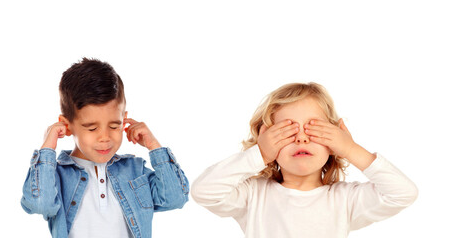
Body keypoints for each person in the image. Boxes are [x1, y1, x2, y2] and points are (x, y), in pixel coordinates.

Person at [191, 82, 418, 238]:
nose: (301, 138)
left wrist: (349, 148)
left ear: (334, 141)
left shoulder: (345, 199)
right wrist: (260, 153)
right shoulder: (254, 195)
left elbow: (403, 193)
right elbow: (204, 191)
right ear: (266, 138)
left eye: (314, 129)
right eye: (287, 131)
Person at [21, 58, 189, 238]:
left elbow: (175, 198)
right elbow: (40, 203)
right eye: (92, 128)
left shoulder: (134, 169)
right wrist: (48, 148)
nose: (105, 137)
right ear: (67, 126)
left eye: (114, 126)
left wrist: (154, 146)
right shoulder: (57, 175)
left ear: (124, 119)